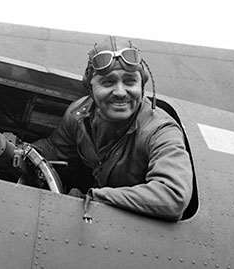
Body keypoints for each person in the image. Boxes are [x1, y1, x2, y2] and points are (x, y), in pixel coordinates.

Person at [33, 36, 193, 221]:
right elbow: (55, 149)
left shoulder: (160, 131)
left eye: (130, 81)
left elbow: (172, 196)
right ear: (90, 87)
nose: (120, 92)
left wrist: (95, 197)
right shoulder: (79, 115)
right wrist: (15, 151)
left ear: (142, 85)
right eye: (108, 82)